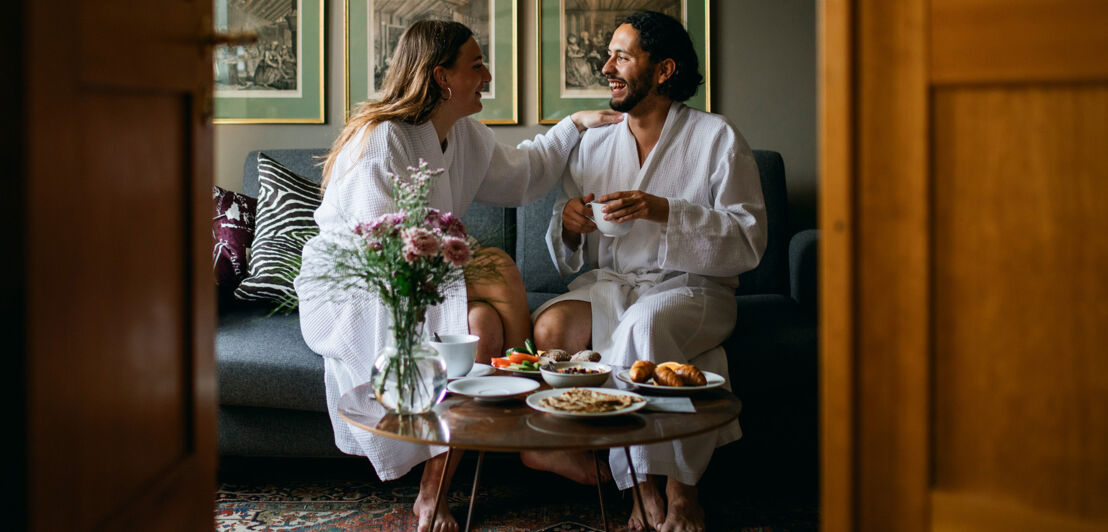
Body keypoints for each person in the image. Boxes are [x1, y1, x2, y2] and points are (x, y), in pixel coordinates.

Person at [293, 20, 621, 532]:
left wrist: (573, 126)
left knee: (482, 330)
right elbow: (381, 245)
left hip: (427, 269)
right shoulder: (383, 140)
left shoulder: (462, 134)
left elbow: (521, 176)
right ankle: (540, 433)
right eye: (477, 65)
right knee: (501, 269)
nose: (487, 75)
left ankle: (433, 495)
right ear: (442, 76)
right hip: (367, 285)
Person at [531, 11, 767, 532]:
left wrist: (664, 210)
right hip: (616, 286)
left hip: (693, 289)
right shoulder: (593, 143)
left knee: (645, 325)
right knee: (551, 329)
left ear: (663, 70)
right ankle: (641, 481)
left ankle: (671, 491)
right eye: (608, 54)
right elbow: (571, 237)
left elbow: (749, 240)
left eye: (622, 56)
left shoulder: (717, 137)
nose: (606, 66)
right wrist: (570, 226)